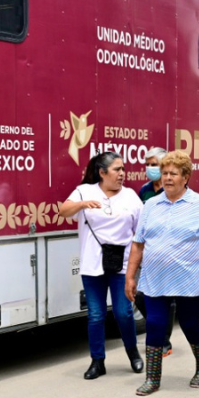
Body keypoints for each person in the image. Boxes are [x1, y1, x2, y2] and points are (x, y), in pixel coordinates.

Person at [125, 150, 199, 396]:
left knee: (190, 324)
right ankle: (152, 379)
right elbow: (138, 243)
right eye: (165, 173)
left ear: (185, 177)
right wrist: (130, 276)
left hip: (189, 279)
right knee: (155, 324)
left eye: (174, 173)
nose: (167, 178)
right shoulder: (150, 205)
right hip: (155, 278)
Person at [59, 152, 144, 380]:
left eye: (123, 169)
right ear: (102, 173)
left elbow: (140, 233)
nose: (122, 174)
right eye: (117, 169)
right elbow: (63, 211)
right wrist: (82, 204)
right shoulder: (84, 191)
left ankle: (133, 353)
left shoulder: (130, 197)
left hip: (122, 264)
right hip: (92, 264)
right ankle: (97, 361)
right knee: (96, 315)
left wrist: (138, 265)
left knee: (123, 313)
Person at [135, 147, 175, 357]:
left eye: (154, 164)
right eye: (147, 164)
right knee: (141, 296)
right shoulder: (145, 190)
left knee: (167, 297)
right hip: (149, 251)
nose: (150, 168)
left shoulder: (174, 189)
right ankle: (159, 335)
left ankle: (164, 341)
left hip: (170, 250)